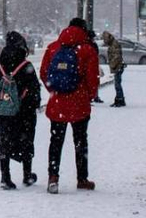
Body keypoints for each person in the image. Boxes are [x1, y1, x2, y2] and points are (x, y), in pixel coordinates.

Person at [40, 18, 100, 194]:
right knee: (80, 142)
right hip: (79, 104)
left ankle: (53, 178)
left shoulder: (53, 47)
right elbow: (92, 78)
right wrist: (88, 95)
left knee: (55, 141)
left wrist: (53, 90)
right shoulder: (87, 50)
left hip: (57, 104)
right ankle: (82, 179)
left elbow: (44, 72)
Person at [0, 31, 42, 189]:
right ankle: (27, 175)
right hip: (24, 111)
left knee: (5, 140)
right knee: (26, 140)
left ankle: (5, 176)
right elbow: (34, 89)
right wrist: (33, 104)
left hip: (5, 111)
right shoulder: (26, 66)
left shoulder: (0, 65)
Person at [100, 31, 126, 106]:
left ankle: (119, 99)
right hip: (118, 66)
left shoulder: (114, 45)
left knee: (117, 84)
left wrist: (112, 65)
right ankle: (119, 98)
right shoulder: (113, 44)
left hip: (118, 66)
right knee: (117, 83)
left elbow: (116, 57)